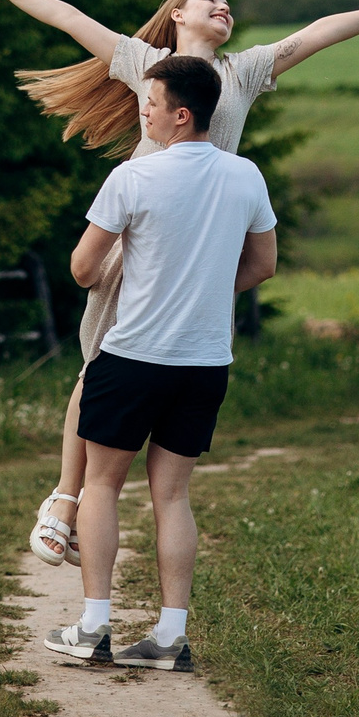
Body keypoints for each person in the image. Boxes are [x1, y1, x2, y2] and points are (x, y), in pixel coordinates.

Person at [0, 0, 359, 569]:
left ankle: (89, 517)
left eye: (227, 1)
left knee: (149, 386)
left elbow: (317, 34)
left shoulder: (246, 71)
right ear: (178, 16)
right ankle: (63, 501)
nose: (222, 6)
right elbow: (70, 18)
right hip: (134, 241)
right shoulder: (143, 61)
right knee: (98, 364)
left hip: (197, 245)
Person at [38, 55, 274, 669]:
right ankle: (170, 638)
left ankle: (93, 629)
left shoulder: (133, 178)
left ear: (181, 113)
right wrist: (205, 287)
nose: (143, 110)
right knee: (173, 498)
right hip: (205, 364)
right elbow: (263, 266)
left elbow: (84, 269)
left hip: (134, 356)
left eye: (151, 102)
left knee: (101, 486)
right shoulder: (247, 176)